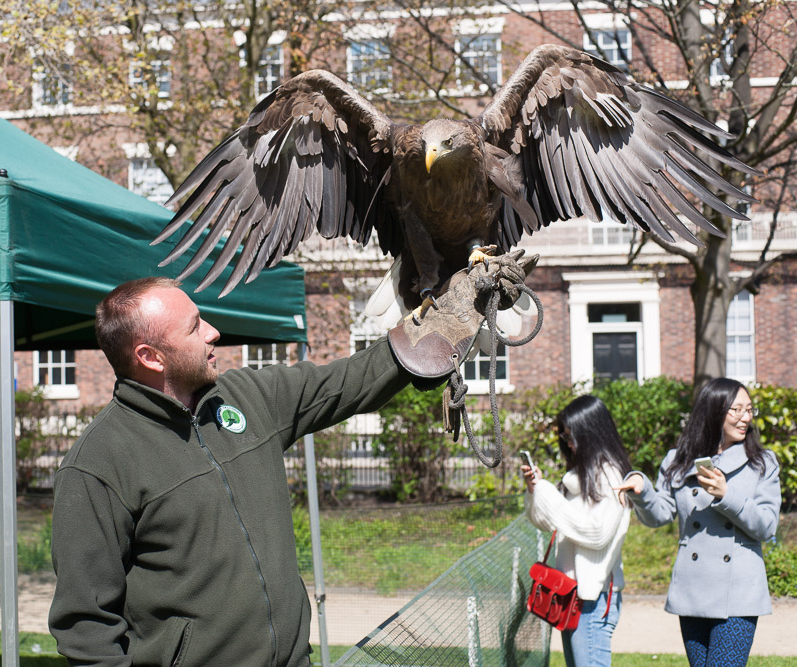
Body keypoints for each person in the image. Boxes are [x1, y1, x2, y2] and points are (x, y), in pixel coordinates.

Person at [47, 275, 480, 666]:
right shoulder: (97, 465)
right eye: (195, 327)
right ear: (150, 356)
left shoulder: (246, 395)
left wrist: (429, 333)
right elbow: (86, 628)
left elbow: (344, 382)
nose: (214, 332)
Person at [614, 377, 781, 667]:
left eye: (750, 410)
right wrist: (642, 490)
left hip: (738, 593)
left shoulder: (762, 462)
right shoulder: (678, 460)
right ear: (713, 412)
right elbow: (660, 515)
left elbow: (767, 526)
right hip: (693, 588)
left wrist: (727, 495)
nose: (746, 418)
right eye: (737, 410)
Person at [522, 395, 633, 667]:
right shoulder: (578, 476)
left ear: (593, 432)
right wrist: (535, 491)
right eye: (565, 437)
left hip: (592, 602)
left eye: (573, 437)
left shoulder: (610, 476)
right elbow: (547, 522)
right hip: (571, 596)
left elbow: (596, 534)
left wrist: (549, 494)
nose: (568, 444)